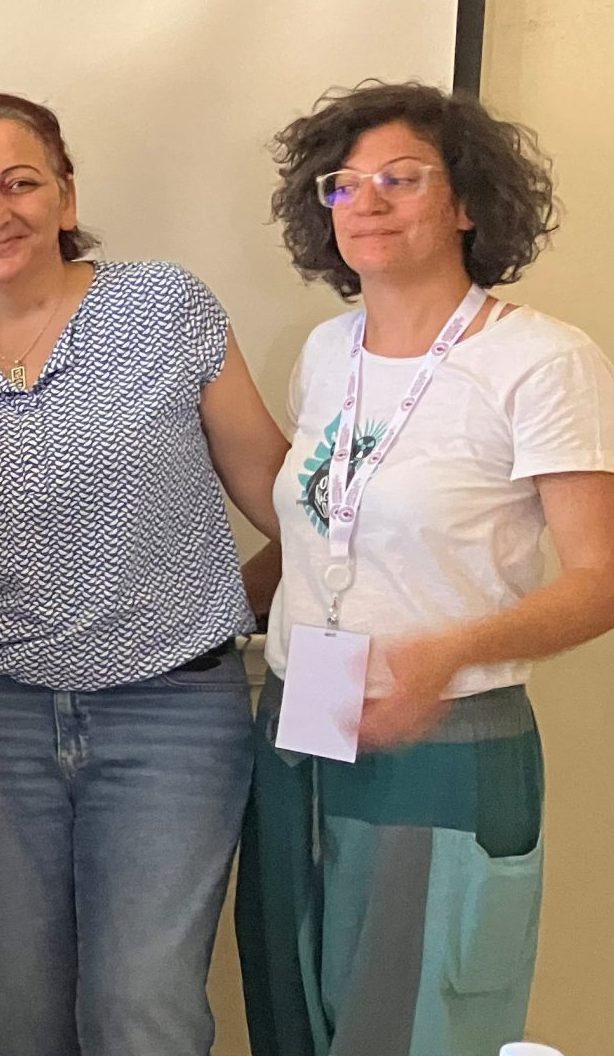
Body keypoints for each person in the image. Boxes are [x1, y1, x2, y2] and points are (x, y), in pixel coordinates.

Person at [238, 82, 614, 1056]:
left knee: (410, 1028)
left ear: (464, 202)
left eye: (398, 179)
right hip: (296, 725)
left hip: (440, 742)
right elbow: (320, 535)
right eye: (342, 184)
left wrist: (442, 659)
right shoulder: (325, 352)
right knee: (289, 1013)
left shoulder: (539, 361)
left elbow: (597, 578)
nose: (364, 200)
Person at [0, 91, 289, 1056]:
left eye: (20, 183)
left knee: (143, 1012)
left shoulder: (163, 306)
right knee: (18, 1011)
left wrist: (224, 604)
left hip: (172, 717)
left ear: (67, 193)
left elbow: (286, 497)